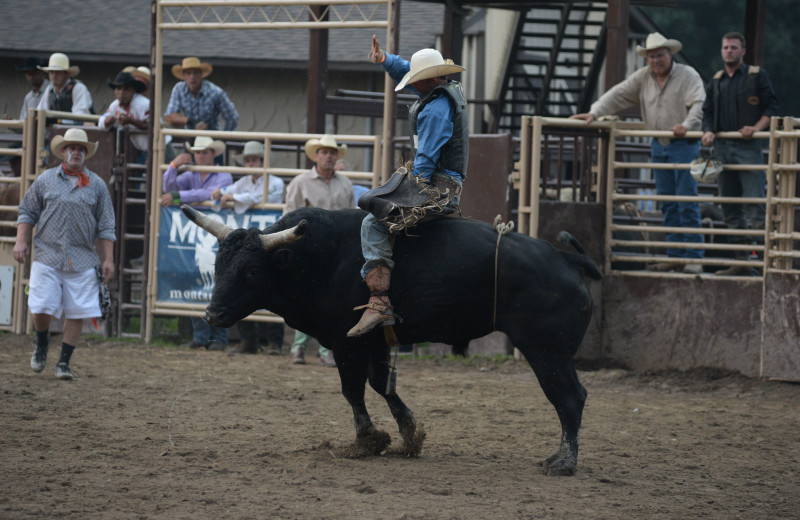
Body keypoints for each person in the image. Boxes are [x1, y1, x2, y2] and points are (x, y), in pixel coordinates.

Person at [347, 36, 468, 337]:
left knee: (371, 224)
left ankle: (379, 302)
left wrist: (414, 188)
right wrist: (386, 59)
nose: (411, 83)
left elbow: (426, 158)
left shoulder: (434, 111)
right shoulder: (443, 92)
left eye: (416, 80)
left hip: (437, 186)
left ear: (428, 80)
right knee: (377, 201)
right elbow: (405, 70)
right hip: (441, 180)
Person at [570, 33, 706, 274]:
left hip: (683, 143)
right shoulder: (643, 78)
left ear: (670, 54)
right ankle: (676, 254)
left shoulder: (688, 75)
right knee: (667, 201)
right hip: (659, 143)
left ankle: (693, 256)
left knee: (686, 200)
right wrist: (595, 112)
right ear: (647, 59)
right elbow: (618, 94)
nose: (655, 61)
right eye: (651, 57)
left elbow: (698, 104)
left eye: (660, 55)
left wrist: (688, 125)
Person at [13, 128, 115, 380]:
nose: (77, 152)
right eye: (72, 148)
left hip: (82, 257)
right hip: (47, 253)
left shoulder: (97, 186)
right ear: (63, 151)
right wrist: (21, 241)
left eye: (81, 149)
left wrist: (108, 258)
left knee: (78, 311)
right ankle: (42, 343)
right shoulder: (46, 180)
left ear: (85, 154)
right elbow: (27, 211)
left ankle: (64, 363)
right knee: (40, 306)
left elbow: (106, 225)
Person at [701, 32, 779, 276]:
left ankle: (765, 263)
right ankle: (741, 261)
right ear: (722, 50)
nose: (729, 51)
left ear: (743, 51)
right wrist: (708, 131)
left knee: (755, 205)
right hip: (723, 147)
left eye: (734, 47)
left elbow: (771, 108)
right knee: (730, 207)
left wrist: (755, 128)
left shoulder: (757, 76)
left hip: (748, 147)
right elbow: (707, 112)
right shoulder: (716, 80)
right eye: (726, 47)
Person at [284, 135, 354, 366]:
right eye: (324, 152)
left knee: (332, 300)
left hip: (338, 250)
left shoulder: (345, 184)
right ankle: (303, 348)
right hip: (309, 248)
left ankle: (320, 349)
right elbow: (289, 216)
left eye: (332, 153)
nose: (329, 156)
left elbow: (351, 216)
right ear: (316, 156)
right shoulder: (300, 182)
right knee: (309, 299)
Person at [211, 140, 286, 355]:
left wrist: (232, 197)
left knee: (272, 288)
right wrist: (220, 193)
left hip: (267, 241)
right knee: (241, 288)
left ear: (262, 161)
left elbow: (261, 197)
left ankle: (274, 341)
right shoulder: (243, 181)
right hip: (248, 243)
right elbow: (227, 192)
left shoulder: (275, 182)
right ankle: (249, 339)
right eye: (248, 161)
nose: (251, 164)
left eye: (254, 160)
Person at [161, 135, 233, 351]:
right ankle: (202, 338)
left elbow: (206, 195)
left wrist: (179, 195)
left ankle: (218, 339)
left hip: (217, 231)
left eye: (205, 152)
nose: (201, 156)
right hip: (199, 233)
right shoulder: (190, 174)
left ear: (213, 154)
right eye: (198, 152)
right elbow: (169, 188)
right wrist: (173, 166)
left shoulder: (223, 175)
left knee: (219, 283)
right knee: (195, 280)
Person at [164, 57, 238, 132]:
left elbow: (232, 117)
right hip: (189, 135)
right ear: (184, 76)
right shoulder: (179, 89)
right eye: (188, 73)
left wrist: (224, 138)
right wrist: (191, 121)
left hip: (212, 136)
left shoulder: (215, 92)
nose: (192, 77)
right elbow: (170, 116)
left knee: (217, 144)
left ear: (201, 74)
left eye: (195, 73)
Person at [98, 71, 150, 163]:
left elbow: (154, 126)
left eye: (127, 89)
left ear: (133, 90)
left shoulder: (144, 104)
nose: (122, 93)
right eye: (118, 88)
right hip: (140, 150)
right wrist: (107, 121)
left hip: (158, 148)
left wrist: (131, 121)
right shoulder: (114, 105)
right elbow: (102, 121)